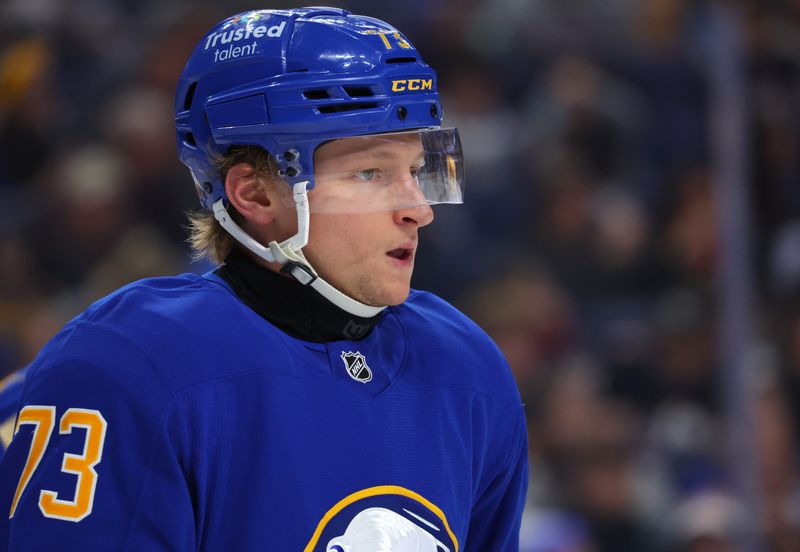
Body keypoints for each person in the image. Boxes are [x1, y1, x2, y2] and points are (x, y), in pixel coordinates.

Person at [0, 7, 528, 551]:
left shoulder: (468, 367)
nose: (419, 209)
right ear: (254, 195)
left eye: (415, 172)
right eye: (370, 173)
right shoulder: (128, 365)